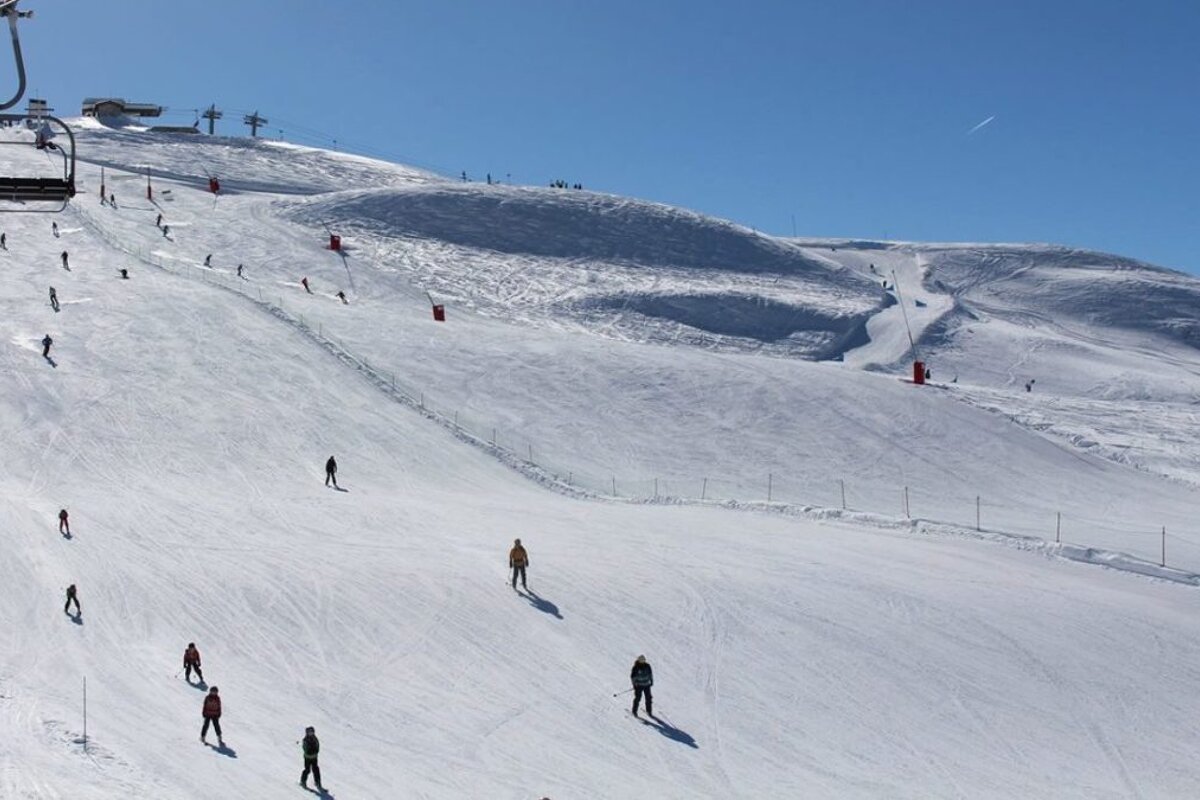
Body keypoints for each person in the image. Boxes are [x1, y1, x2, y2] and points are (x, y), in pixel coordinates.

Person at [300, 726, 323, 791]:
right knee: (307, 769)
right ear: (307, 733)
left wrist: (316, 751)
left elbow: (317, 746)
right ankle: (303, 781)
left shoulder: (315, 739)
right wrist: (309, 751)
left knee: (316, 769)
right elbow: (305, 748)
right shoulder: (305, 740)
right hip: (307, 758)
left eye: (312, 732)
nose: (311, 734)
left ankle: (317, 782)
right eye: (309, 732)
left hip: (314, 757)